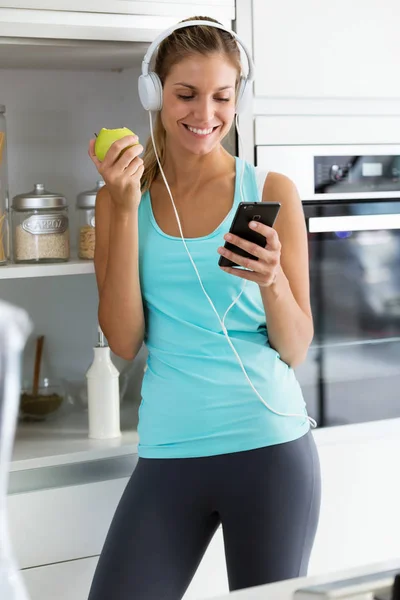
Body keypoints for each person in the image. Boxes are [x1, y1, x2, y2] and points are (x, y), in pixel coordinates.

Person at [87, 15, 321, 600]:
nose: (205, 115)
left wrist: (271, 281)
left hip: (269, 447)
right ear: (154, 93)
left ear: (238, 96)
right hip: (170, 451)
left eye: (222, 96)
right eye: (185, 95)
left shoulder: (270, 191)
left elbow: (294, 346)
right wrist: (119, 208)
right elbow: (122, 341)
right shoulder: (123, 198)